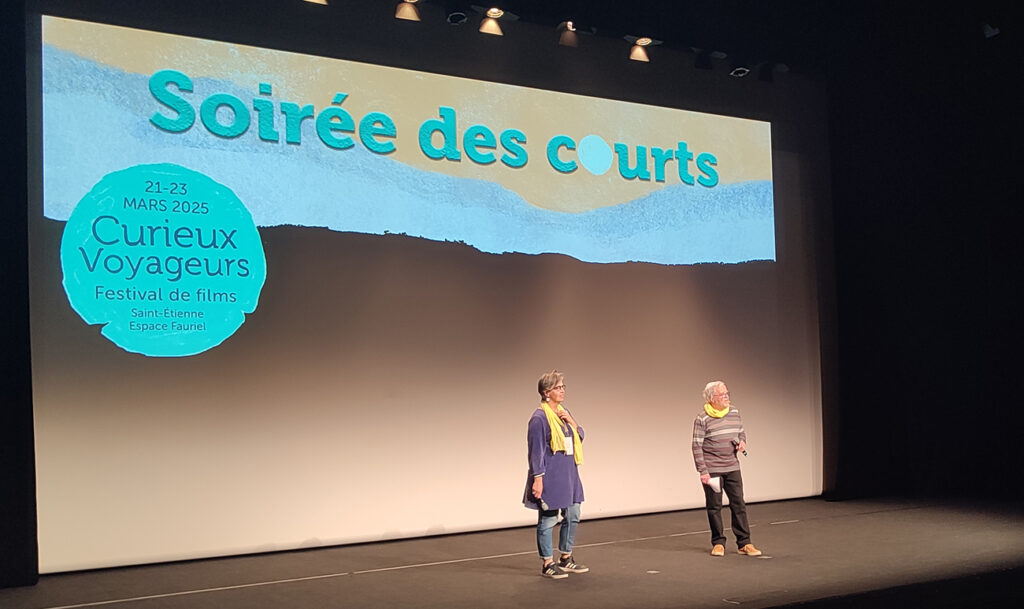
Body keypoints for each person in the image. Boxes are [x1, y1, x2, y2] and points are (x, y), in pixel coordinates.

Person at [524, 370, 588, 579]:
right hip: (550, 476)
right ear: (546, 392)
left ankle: (566, 557)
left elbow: (579, 436)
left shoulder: (563, 413)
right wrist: (538, 479)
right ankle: (547, 563)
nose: (562, 390)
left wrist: (571, 421)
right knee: (549, 518)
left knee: (573, 514)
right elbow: (536, 452)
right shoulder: (539, 419)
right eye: (557, 387)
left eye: (563, 387)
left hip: (569, 473)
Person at [692, 380, 762, 557]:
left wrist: (742, 442)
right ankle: (718, 543)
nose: (726, 397)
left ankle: (744, 543)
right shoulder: (702, 419)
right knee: (714, 506)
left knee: (739, 504)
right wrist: (703, 471)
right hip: (713, 469)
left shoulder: (734, 412)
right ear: (712, 398)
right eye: (722, 394)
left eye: (727, 393)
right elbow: (696, 446)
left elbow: (741, 432)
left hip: (732, 467)